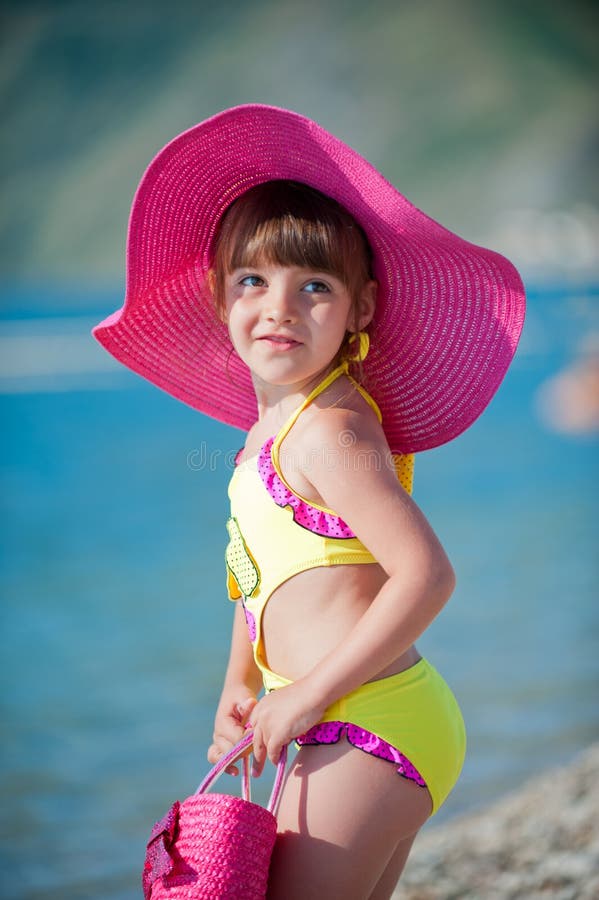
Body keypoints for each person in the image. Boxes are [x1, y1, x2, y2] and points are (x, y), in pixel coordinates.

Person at [93, 104, 525, 898]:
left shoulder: (330, 430)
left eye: (314, 286)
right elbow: (256, 571)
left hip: (370, 721)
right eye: (254, 280)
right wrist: (242, 681)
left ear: (359, 310)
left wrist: (309, 695)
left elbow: (426, 576)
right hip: (352, 717)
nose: (280, 307)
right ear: (222, 298)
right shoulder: (268, 433)